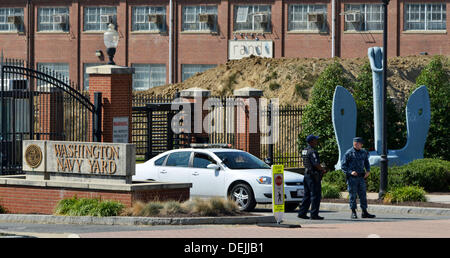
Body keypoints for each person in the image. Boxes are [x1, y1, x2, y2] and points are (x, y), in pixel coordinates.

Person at [341, 137, 376, 219]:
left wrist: (368, 171)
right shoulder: (349, 153)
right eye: (357, 143)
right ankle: (353, 212)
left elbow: (366, 162)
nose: (358, 145)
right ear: (354, 144)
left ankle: (364, 212)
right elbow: (343, 166)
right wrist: (350, 172)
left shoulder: (363, 152)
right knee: (353, 195)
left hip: (361, 177)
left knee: (363, 195)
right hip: (352, 178)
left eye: (359, 143)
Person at [298, 135, 326, 220]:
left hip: (306, 175)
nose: (316, 141)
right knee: (315, 195)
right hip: (313, 175)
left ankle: (302, 213)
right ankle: (314, 214)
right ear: (311, 141)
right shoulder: (312, 151)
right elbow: (316, 164)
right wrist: (322, 169)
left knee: (307, 195)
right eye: (315, 140)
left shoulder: (304, 150)